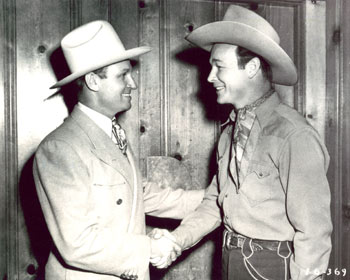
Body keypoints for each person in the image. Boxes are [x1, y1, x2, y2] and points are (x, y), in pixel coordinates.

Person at [150, 5, 332, 280]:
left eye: (219, 66)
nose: (210, 77)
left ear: (253, 67)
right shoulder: (228, 135)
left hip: (275, 267)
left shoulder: (294, 136)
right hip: (230, 261)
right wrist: (176, 240)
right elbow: (214, 204)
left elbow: (314, 234)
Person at [33, 20, 204, 280]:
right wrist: (150, 247)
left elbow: (138, 194)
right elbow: (77, 243)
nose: (132, 83)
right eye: (122, 75)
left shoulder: (110, 132)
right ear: (92, 81)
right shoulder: (61, 147)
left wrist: (216, 197)